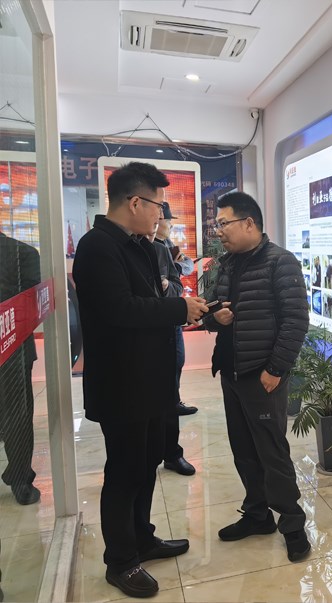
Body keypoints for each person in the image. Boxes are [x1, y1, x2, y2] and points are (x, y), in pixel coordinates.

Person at [72, 162, 208, 598]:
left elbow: (154, 296)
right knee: (124, 471)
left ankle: (141, 539)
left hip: (150, 382)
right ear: (134, 202)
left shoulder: (138, 245)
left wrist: (181, 304)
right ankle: (120, 561)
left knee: (146, 464)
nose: (160, 215)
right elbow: (121, 310)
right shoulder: (97, 247)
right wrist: (178, 309)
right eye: (157, 206)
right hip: (122, 386)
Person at [204, 191, 310, 563]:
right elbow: (211, 313)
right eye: (217, 224)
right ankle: (257, 515)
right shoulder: (227, 264)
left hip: (262, 375)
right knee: (244, 451)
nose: (219, 231)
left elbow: (296, 321)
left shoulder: (280, 261)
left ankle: (293, 525)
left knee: (272, 452)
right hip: (231, 372)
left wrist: (275, 369)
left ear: (249, 223)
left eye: (224, 223)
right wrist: (214, 318)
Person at [149, 218, 196, 477]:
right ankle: (149, 454)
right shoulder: (116, 249)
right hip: (139, 341)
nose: (162, 223)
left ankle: (172, 454)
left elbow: (177, 284)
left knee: (169, 395)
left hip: (167, 330)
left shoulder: (163, 249)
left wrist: (167, 287)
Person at [0, 230, 40, 506]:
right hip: (13, 349)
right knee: (17, 415)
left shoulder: (21, 254)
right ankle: (20, 478)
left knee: (17, 416)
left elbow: (31, 308)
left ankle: (20, 477)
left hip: (13, 350)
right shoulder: (22, 253)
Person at [155, 202, 197, 417]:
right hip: (159, 315)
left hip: (172, 312)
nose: (170, 225)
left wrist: (176, 268)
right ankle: (168, 403)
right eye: (168, 221)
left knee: (177, 359)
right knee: (168, 362)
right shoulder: (147, 246)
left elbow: (189, 265)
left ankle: (173, 400)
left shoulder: (167, 244)